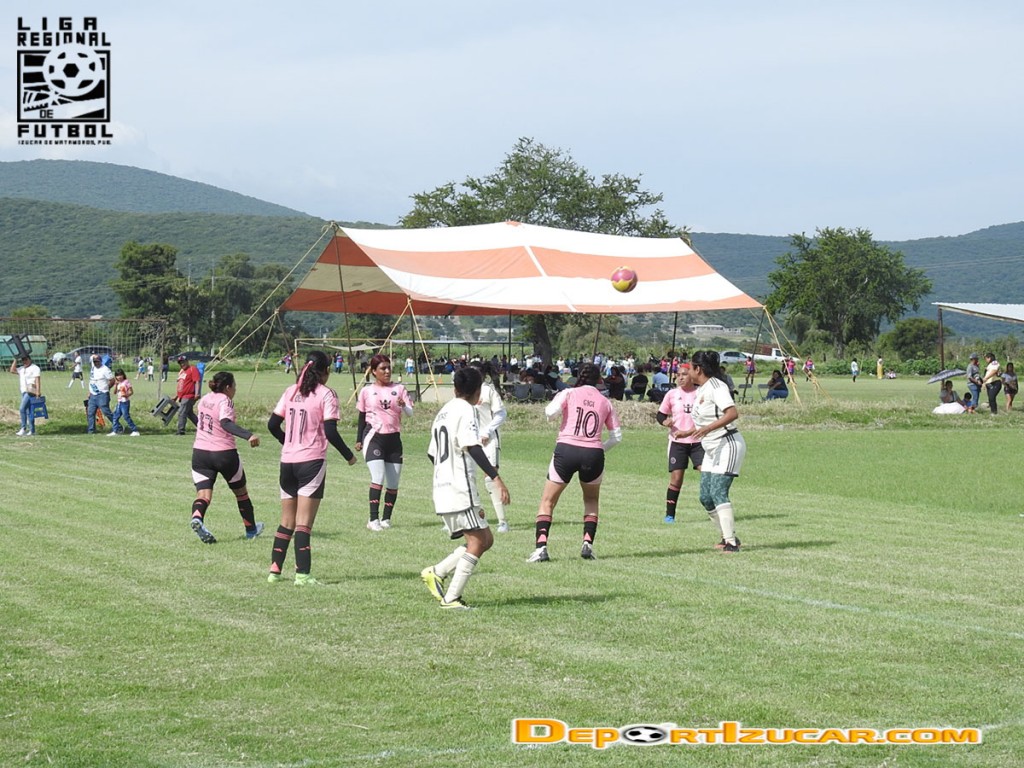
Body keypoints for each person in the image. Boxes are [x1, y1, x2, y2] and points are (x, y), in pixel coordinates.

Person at [420, 367, 511, 610]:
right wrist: (496, 477)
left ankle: (437, 571)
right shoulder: (466, 410)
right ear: (478, 391)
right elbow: (472, 446)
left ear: (455, 388)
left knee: (485, 539)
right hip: (460, 489)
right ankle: (451, 598)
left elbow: (432, 453)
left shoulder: (444, 411)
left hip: (443, 487)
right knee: (478, 542)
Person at [266, 351, 357, 585]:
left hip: (287, 461)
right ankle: (302, 574)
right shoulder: (326, 394)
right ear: (325, 370)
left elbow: (272, 425)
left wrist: (287, 442)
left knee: (286, 520)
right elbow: (330, 431)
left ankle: (275, 571)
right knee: (303, 522)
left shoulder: (291, 391)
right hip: (311, 461)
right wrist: (349, 456)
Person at [527, 363, 622, 563]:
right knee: (591, 500)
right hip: (593, 454)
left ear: (579, 376)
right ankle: (587, 544)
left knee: (548, 501)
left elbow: (550, 412)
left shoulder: (569, 393)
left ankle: (541, 547)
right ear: (599, 380)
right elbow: (616, 437)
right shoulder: (605, 402)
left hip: (566, 450)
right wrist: (598, 448)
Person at [188, 371, 263, 544]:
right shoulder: (225, 400)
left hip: (200, 453)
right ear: (228, 387)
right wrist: (248, 435)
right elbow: (225, 423)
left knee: (203, 494)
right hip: (223, 453)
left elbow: (200, 419)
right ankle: (251, 530)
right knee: (241, 493)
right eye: (234, 386)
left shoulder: (205, 399)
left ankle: (197, 518)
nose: (235, 389)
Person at [684, 351, 746, 552]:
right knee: (706, 497)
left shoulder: (717, 387)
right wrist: (690, 432)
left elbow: (732, 413)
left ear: (698, 369)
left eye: (690, 367)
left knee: (718, 492)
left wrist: (708, 429)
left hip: (727, 444)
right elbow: (707, 419)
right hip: (711, 448)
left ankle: (731, 542)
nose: (687, 371)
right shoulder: (702, 389)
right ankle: (727, 536)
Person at [355, 354, 413, 531]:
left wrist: (403, 405)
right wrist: (358, 439)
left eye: (389, 367)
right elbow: (361, 417)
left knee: (393, 483)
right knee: (378, 477)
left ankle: (386, 519)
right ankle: (373, 519)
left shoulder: (399, 388)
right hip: (374, 438)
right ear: (374, 371)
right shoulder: (366, 391)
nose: (387, 371)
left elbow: (410, 413)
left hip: (394, 439)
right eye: (383, 368)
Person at [656, 363, 703, 524]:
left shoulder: (701, 393)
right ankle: (670, 515)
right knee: (676, 479)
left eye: (684, 374)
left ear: (692, 375)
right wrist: (665, 422)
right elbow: (660, 415)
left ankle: (713, 508)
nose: (680, 378)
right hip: (677, 442)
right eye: (678, 375)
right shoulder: (672, 394)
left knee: (706, 473)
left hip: (698, 441)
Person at [471, 362, 510, 532]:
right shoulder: (465, 391)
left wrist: (487, 431)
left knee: (490, 478)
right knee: (466, 477)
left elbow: (501, 413)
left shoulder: (488, 391)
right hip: (469, 440)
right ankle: (466, 519)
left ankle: (502, 521)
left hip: (489, 440)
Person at [10, 353, 41, 437]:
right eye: (23, 360)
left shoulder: (35, 368)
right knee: (29, 411)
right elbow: (12, 370)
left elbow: (37, 380)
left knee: (22, 408)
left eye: (26, 359)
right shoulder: (21, 369)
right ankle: (32, 430)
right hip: (23, 391)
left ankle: (23, 428)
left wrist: (38, 391)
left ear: (29, 359)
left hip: (30, 391)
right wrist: (16, 359)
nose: (24, 361)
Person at [87, 354, 115, 434]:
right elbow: (92, 381)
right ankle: (91, 430)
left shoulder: (105, 369)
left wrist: (107, 388)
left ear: (101, 361)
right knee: (90, 412)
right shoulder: (93, 368)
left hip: (102, 394)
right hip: (93, 394)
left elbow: (112, 380)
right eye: (94, 361)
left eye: (97, 361)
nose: (96, 363)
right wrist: (89, 392)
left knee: (106, 411)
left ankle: (118, 426)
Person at [107, 369, 141, 436]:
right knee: (115, 417)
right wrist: (116, 385)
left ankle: (135, 430)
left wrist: (126, 395)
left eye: (120, 375)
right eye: (117, 376)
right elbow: (114, 392)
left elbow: (131, 392)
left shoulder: (126, 382)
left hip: (125, 402)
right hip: (119, 402)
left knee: (126, 416)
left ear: (123, 375)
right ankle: (115, 431)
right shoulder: (118, 383)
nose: (119, 377)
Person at [174, 356, 201, 435]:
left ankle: (181, 430)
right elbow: (181, 385)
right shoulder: (182, 372)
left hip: (189, 396)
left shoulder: (193, 369)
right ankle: (203, 428)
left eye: (183, 362)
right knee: (189, 414)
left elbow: (197, 381)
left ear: (187, 361)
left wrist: (197, 393)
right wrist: (176, 396)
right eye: (180, 363)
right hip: (182, 397)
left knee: (182, 412)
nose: (182, 364)